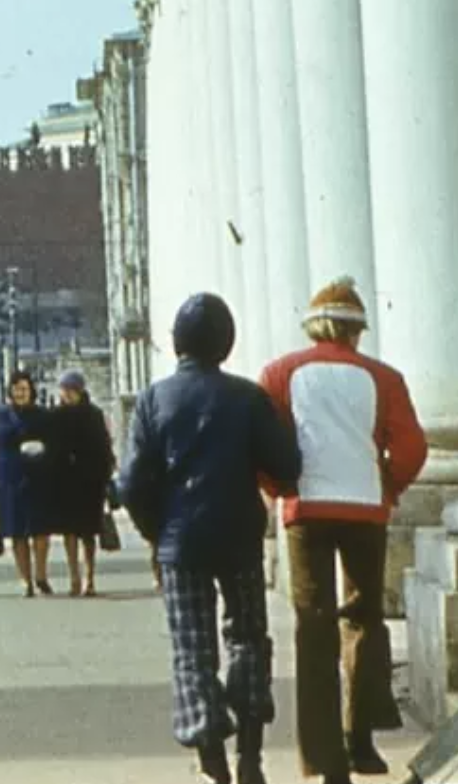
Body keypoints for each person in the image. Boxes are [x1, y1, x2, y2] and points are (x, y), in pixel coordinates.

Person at [122, 292, 301, 784]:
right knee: (247, 638)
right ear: (227, 343)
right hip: (240, 536)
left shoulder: (153, 400)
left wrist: (155, 533)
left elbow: (131, 483)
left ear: (177, 343)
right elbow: (287, 464)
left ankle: (213, 764)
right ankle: (250, 757)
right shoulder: (248, 397)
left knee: (192, 648)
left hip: (179, 542)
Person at [259, 277, 427, 784]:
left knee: (313, 628)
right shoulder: (384, 377)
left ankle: (322, 758)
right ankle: (363, 741)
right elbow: (413, 448)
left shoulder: (281, 373)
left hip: (307, 508)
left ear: (315, 328)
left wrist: (279, 488)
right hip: (365, 507)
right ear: (357, 331)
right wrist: (388, 485)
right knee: (363, 618)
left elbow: (265, 443)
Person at [0, 371, 63, 596]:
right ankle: (24, 579)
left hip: (39, 478)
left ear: (32, 391)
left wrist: (44, 451)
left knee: (40, 530)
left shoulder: (42, 415)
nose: (21, 393)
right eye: (16, 389)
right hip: (8, 479)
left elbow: (54, 445)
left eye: (25, 389)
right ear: (10, 391)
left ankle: (41, 575)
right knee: (16, 532)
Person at [55, 370, 115, 598]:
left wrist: (105, 472)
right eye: (64, 390)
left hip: (91, 481)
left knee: (88, 533)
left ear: (80, 391)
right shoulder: (57, 415)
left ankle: (90, 578)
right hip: (64, 481)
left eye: (71, 390)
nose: (67, 395)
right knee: (69, 532)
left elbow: (104, 445)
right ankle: (74, 578)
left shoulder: (94, 414)